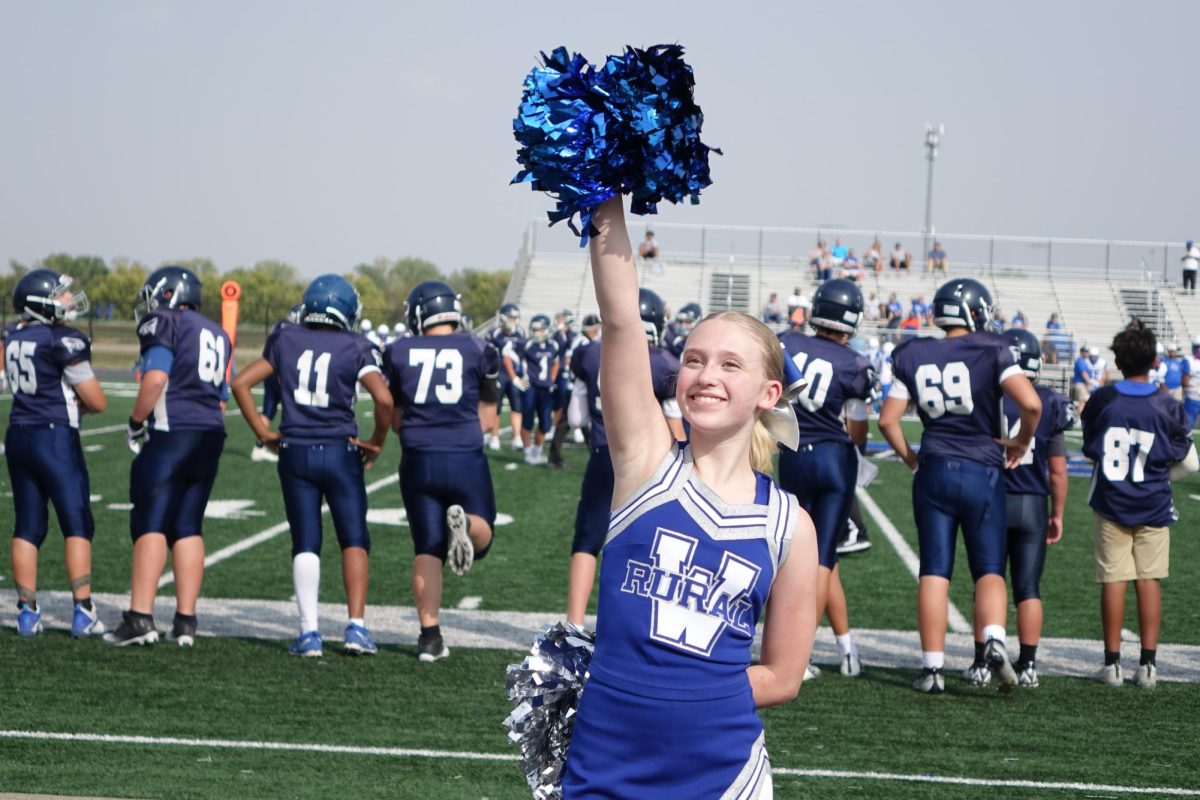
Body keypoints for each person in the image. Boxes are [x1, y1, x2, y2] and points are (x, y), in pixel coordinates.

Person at [561, 197, 818, 798]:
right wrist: (603, 192)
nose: (706, 376)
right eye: (694, 360)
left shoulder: (789, 525)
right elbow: (622, 320)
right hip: (605, 761)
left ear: (767, 391)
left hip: (723, 774)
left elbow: (783, 676)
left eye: (731, 365)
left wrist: (693, 691)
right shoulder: (644, 461)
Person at [877, 277, 1042, 693]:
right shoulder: (992, 349)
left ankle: (933, 670)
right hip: (982, 469)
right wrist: (1021, 442)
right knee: (988, 569)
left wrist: (911, 457)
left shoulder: (913, 353)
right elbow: (1032, 403)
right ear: (977, 312)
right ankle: (994, 639)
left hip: (934, 469)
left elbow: (887, 420)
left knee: (935, 570)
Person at [231, 275, 392, 657]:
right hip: (340, 451)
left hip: (295, 450)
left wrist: (262, 430)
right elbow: (384, 400)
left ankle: (309, 633)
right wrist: (377, 443)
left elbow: (240, 383)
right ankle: (355, 628)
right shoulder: (356, 345)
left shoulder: (286, 338)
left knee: (306, 539)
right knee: (353, 537)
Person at [105, 266, 232, 647]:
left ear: (167, 294)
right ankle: (186, 622)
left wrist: (135, 421)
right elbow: (221, 398)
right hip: (210, 433)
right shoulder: (217, 332)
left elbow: (156, 378)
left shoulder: (163, 321)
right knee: (189, 525)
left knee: (151, 522)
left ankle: (140, 617)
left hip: (172, 432)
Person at [385, 280, 498, 662]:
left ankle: (429, 638)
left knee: (427, 548)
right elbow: (489, 416)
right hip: (464, 455)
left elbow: (396, 416)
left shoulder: (398, 350)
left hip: (417, 457)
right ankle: (466, 525)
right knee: (484, 532)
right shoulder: (477, 347)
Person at [1081, 325, 1197, 688]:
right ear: (1154, 361)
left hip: (1111, 500)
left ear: (1117, 359)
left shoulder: (1103, 399)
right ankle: (1148, 666)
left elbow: (1091, 449)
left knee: (1113, 578)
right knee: (1149, 579)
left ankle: (1112, 664)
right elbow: (1188, 459)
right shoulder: (1166, 405)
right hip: (1153, 502)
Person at [565, 290, 684, 627]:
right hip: (651, 465)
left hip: (604, 454)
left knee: (587, 541)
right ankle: (642, 627)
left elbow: (576, 418)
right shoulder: (664, 362)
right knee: (651, 547)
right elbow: (677, 431)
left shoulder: (589, 354)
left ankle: (574, 626)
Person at [963, 329, 1073, 689]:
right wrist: (1057, 513)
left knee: (987, 579)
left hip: (990, 498)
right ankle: (1028, 665)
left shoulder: (985, 396)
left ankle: (981, 661)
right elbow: (1058, 470)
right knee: (1028, 587)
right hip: (1031, 505)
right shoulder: (1050, 402)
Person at [778, 278, 875, 679]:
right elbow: (858, 428)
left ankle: (845, 647)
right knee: (822, 560)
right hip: (835, 459)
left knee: (799, 557)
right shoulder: (854, 363)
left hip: (794, 453)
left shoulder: (786, 343)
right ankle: (800, 654)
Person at [5, 270, 108, 638]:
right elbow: (97, 400)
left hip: (18, 435)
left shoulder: (14, 337)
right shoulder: (64, 339)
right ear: (42, 302)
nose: (68, 300)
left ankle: (27, 614)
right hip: (54, 438)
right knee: (77, 522)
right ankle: (83, 611)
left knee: (27, 526)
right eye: (61, 295)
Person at [514, 313, 560, 465]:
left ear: (546, 330)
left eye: (539, 330)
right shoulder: (526, 344)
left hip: (546, 389)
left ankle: (537, 451)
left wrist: (551, 379)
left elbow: (556, 363)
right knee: (527, 421)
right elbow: (508, 357)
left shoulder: (553, 345)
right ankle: (527, 452)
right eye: (534, 329)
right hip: (530, 387)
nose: (536, 332)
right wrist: (516, 378)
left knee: (545, 423)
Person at [488, 303, 525, 450]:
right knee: (496, 407)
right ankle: (494, 437)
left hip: (515, 375)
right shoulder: (494, 333)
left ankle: (516, 437)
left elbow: (522, 355)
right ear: (503, 317)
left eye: (515, 317)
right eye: (511, 317)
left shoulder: (520, 332)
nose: (513, 320)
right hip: (499, 373)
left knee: (517, 405)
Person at [1072, 344, 1102, 413]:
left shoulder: (1084, 361)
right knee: (1083, 401)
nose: (1086, 353)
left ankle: (1080, 417)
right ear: (1081, 352)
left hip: (1083, 384)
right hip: (1080, 384)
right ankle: (1079, 417)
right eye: (1085, 352)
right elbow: (1083, 373)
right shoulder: (1080, 361)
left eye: (1087, 352)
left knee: (1084, 401)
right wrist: (1090, 383)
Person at [1185, 336, 1200, 428]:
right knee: (1188, 425)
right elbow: (1185, 381)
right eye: (1198, 347)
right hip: (1193, 397)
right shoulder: (1189, 361)